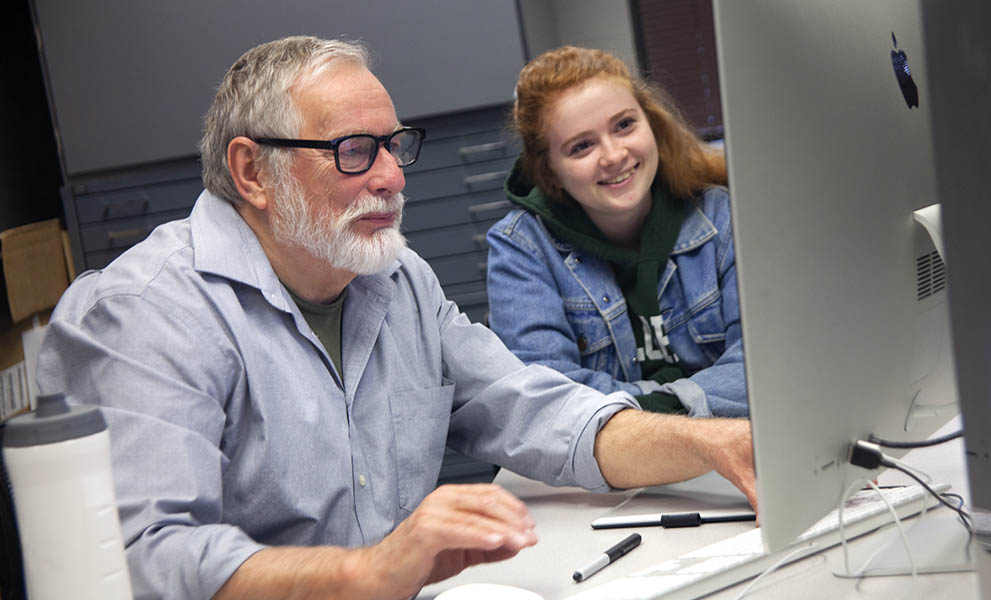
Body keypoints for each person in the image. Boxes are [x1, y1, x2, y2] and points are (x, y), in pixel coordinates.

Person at [35, 36, 755, 600]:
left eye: (393, 145)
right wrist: (368, 574)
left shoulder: (394, 278)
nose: (391, 177)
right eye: (354, 151)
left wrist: (716, 443)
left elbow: (536, 409)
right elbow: (145, 560)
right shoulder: (145, 316)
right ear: (253, 172)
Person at [487, 46, 747, 418]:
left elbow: (759, 369)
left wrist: (646, 413)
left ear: (651, 123)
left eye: (624, 125)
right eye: (582, 146)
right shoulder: (521, 248)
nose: (613, 155)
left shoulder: (722, 215)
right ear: (550, 172)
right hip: (604, 471)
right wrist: (687, 413)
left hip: (727, 455)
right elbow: (548, 396)